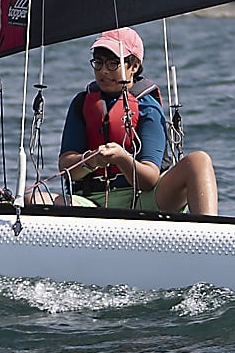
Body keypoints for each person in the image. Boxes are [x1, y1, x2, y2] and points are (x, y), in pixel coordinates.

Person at [53, 27, 218, 215]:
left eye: (114, 63)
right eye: (98, 63)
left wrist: (122, 159)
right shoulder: (81, 104)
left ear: (134, 66)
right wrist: (92, 160)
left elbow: (149, 179)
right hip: (90, 203)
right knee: (33, 200)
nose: (104, 71)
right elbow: (66, 166)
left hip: (145, 200)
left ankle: (208, 233)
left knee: (198, 161)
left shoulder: (148, 108)